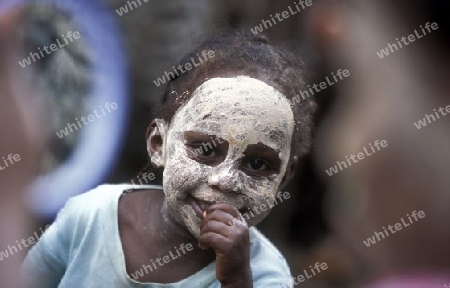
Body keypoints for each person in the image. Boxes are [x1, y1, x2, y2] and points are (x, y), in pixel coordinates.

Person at [22, 32, 316, 288]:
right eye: (206, 149)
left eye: (256, 165)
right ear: (158, 144)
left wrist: (237, 280)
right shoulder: (89, 217)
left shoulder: (267, 275)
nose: (225, 180)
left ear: (285, 177)